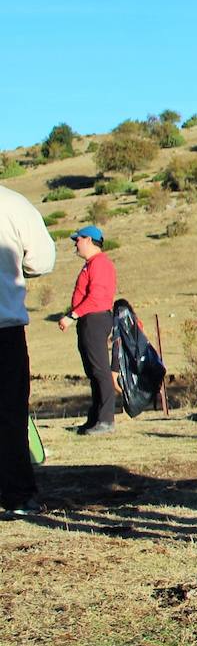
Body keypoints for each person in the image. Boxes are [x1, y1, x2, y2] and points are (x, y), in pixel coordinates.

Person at [0, 185, 56, 516]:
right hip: (4, 326)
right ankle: (17, 494)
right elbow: (42, 260)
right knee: (8, 412)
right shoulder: (12, 203)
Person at [59, 225, 118, 436]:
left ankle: (106, 420)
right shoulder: (91, 264)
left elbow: (96, 297)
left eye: (78, 239)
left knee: (100, 371)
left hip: (95, 319)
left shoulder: (100, 263)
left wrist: (72, 315)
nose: (76, 243)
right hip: (88, 319)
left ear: (89, 241)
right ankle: (95, 419)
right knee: (93, 372)